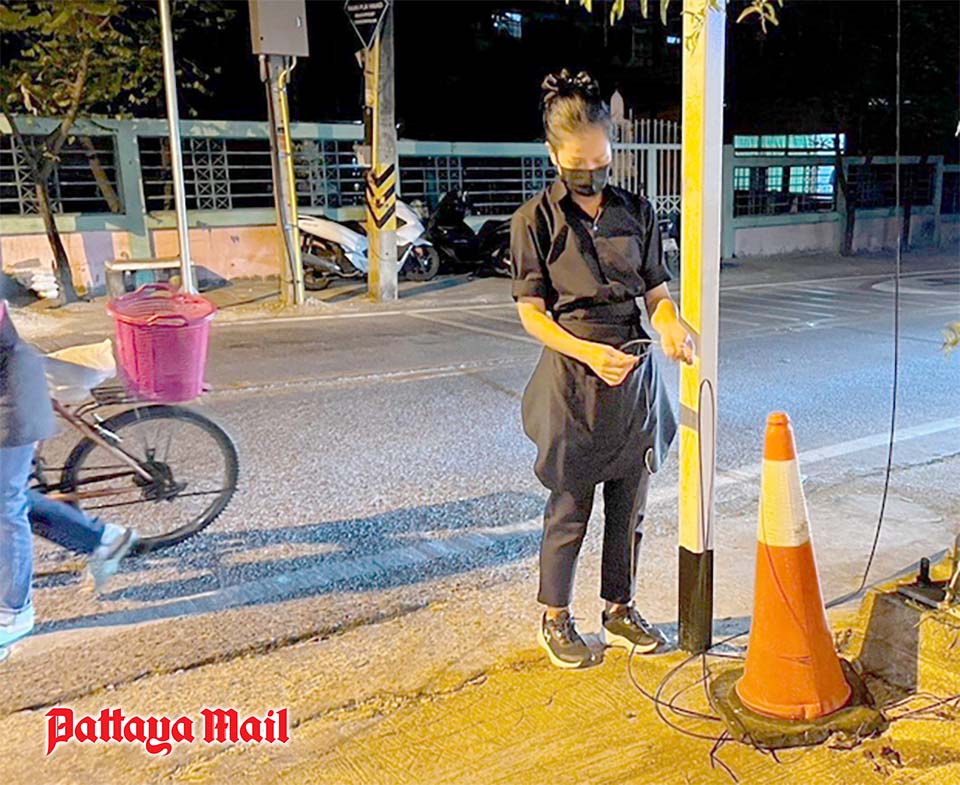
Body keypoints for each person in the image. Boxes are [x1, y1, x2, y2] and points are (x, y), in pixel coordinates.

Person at [511, 70, 694, 669]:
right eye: (578, 163)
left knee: (629, 502)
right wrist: (588, 353)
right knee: (570, 505)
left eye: (601, 161)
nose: (591, 173)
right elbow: (532, 314)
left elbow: (656, 292)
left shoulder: (637, 212)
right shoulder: (534, 220)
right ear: (554, 155)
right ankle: (556, 617)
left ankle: (619, 609)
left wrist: (669, 324)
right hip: (573, 378)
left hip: (633, 375)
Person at [0, 301, 138, 660]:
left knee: (5, 506)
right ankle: (103, 539)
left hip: (10, 401)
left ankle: (14, 613)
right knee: (10, 497)